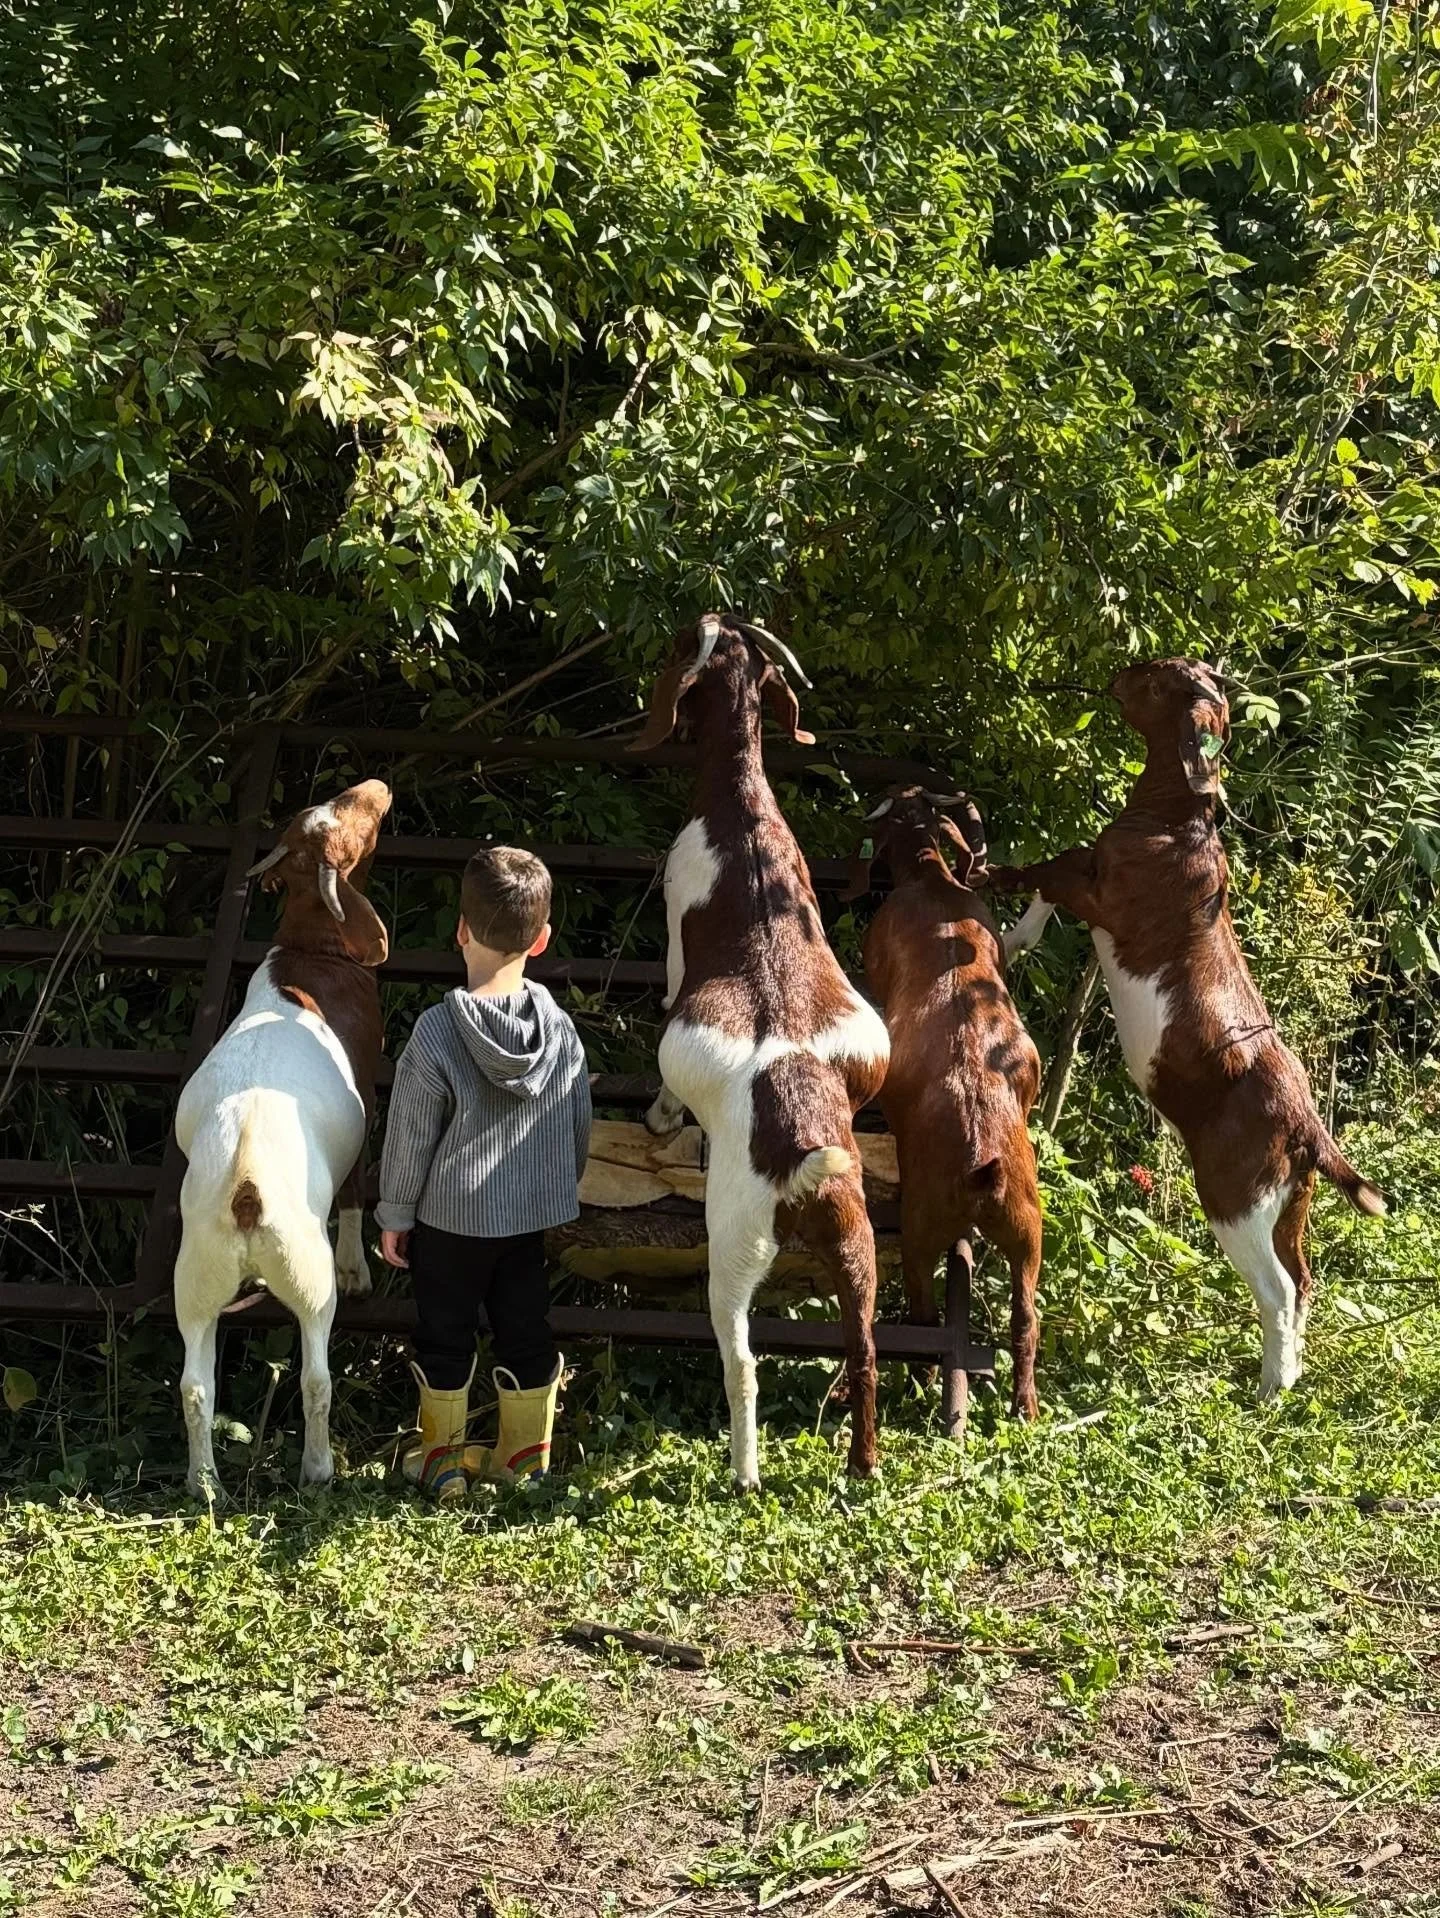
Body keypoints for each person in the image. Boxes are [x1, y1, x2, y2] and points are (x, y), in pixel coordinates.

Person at [376, 846, 591, 1500]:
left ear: (461, 930)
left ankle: (441, 1466)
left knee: (444, 1334)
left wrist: (395, 1215)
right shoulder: (560, 1031)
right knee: (525, 1331)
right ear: (544, 938)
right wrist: (555, 1186)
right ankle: (524, 1462)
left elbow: (411, 1137)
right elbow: (577, 1121)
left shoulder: (437, 1033)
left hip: (449, 1222)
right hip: (527, 1221)